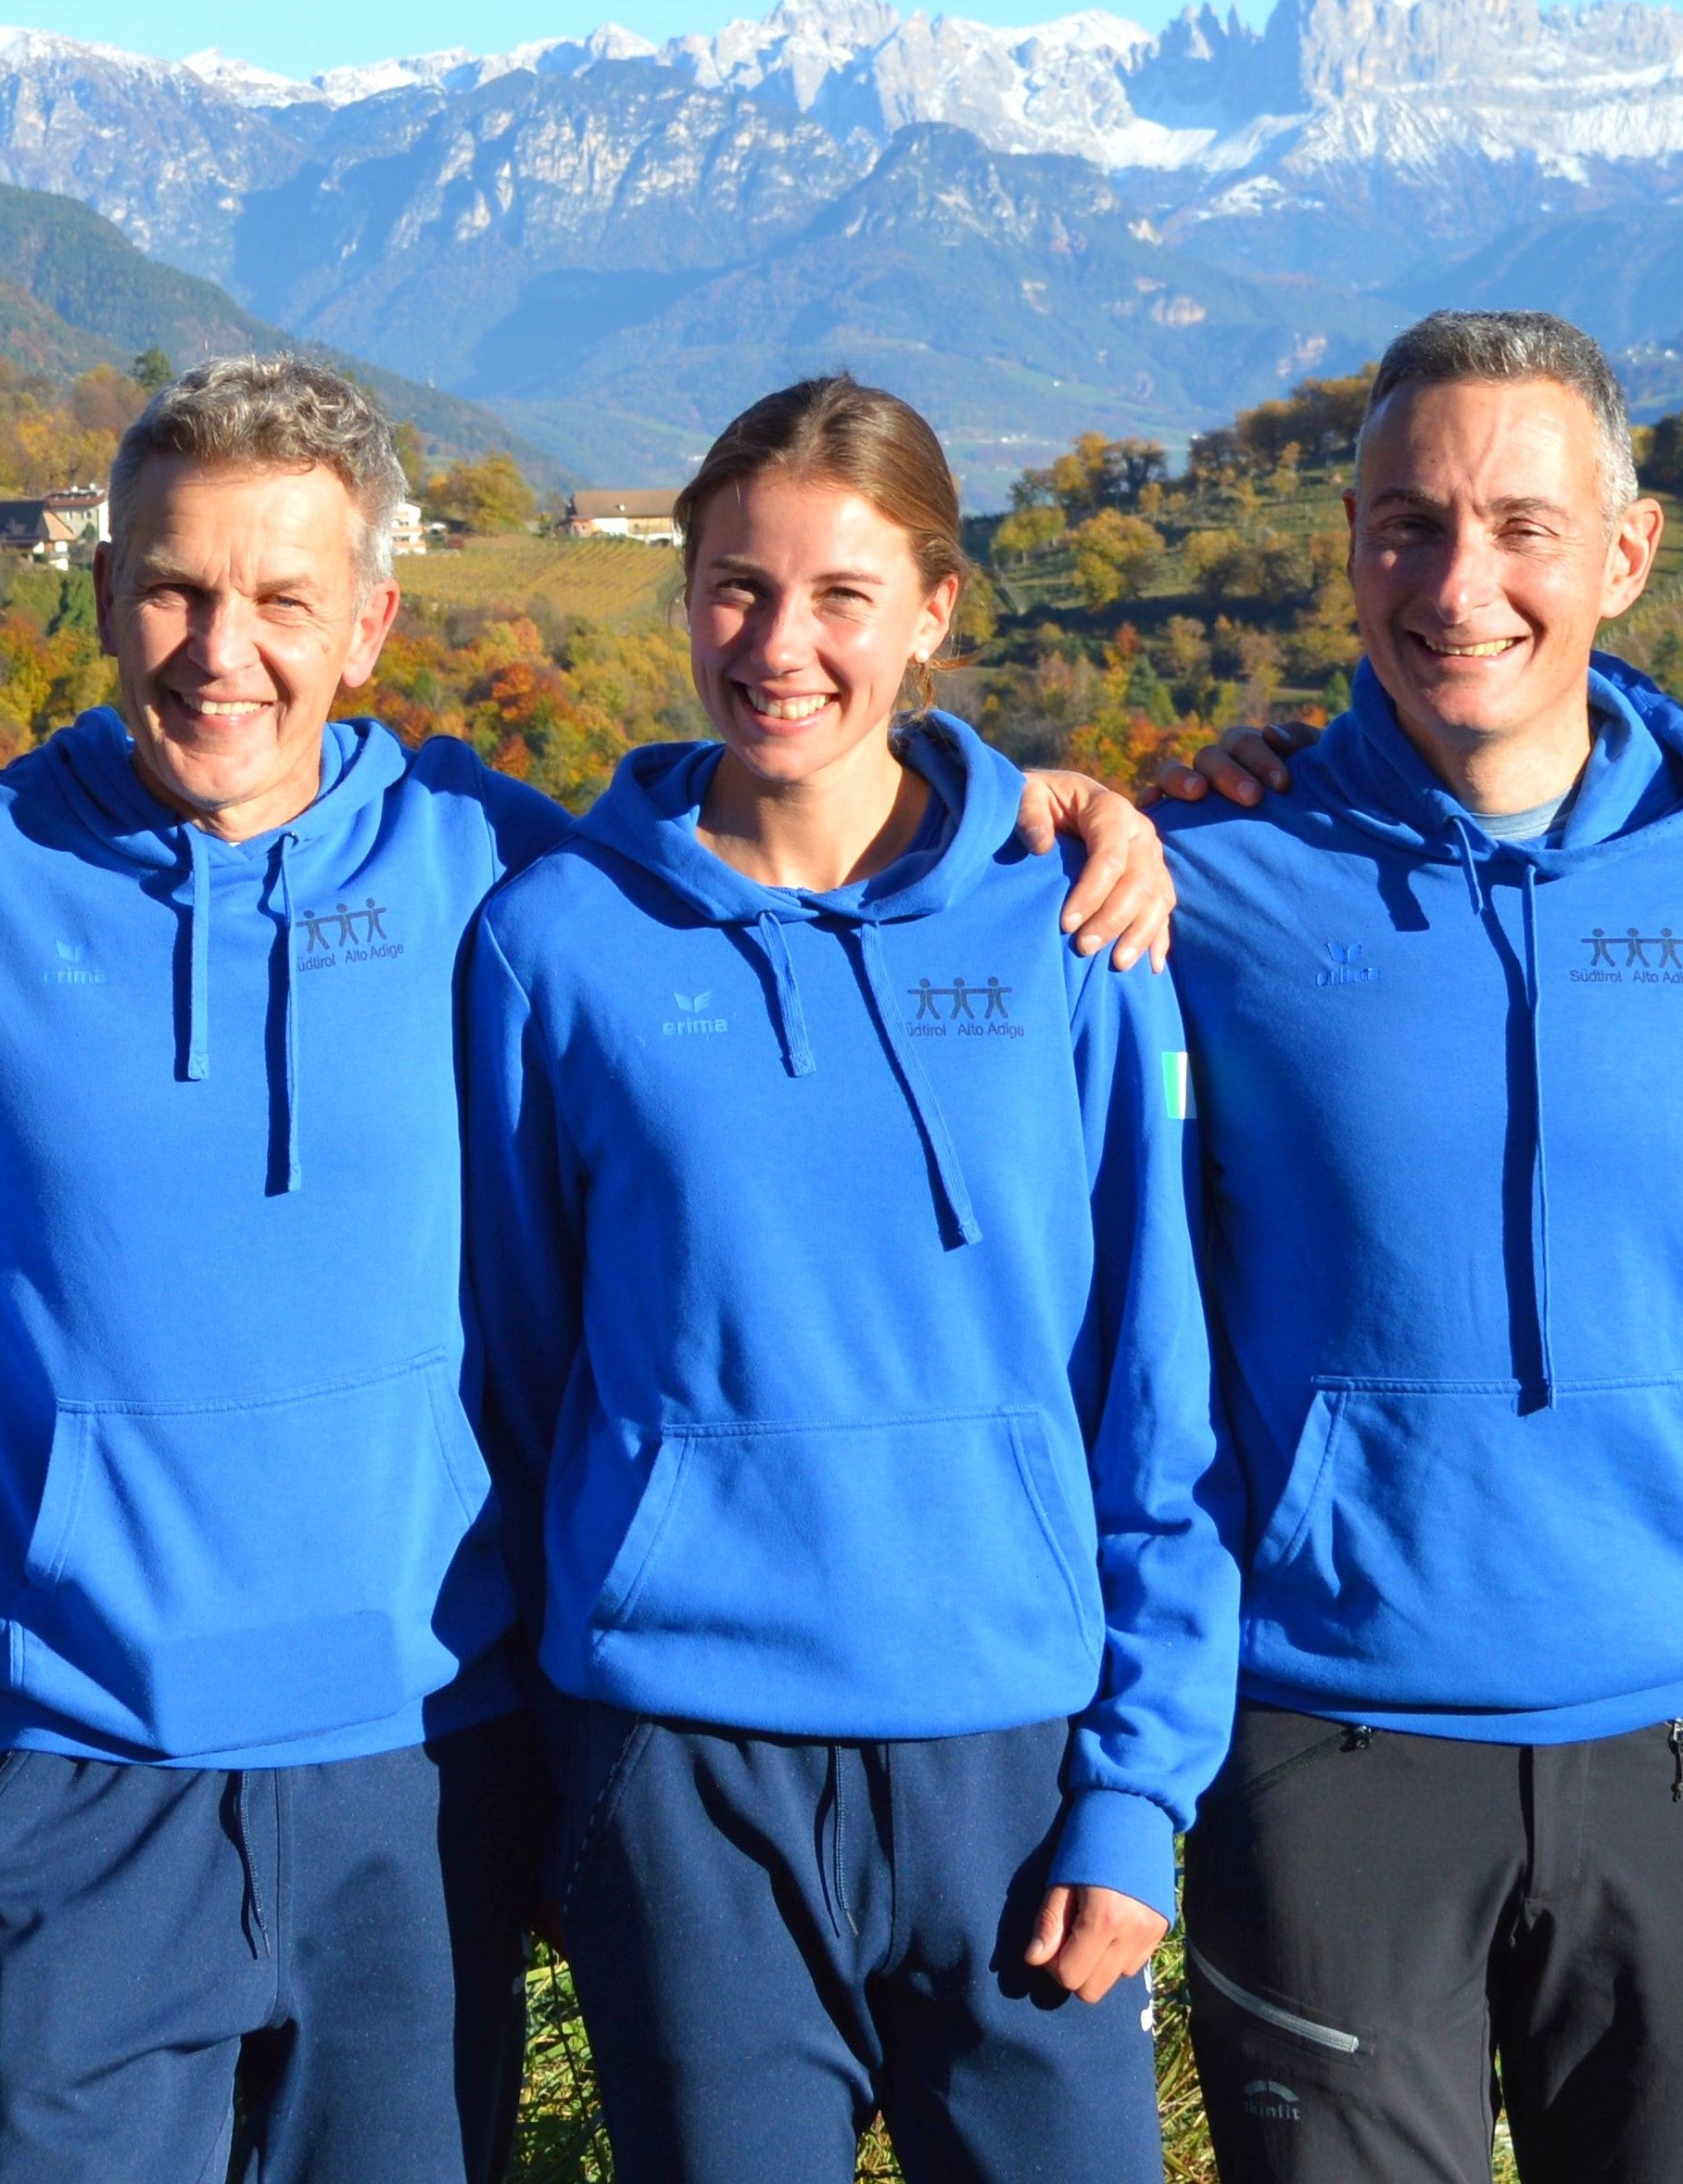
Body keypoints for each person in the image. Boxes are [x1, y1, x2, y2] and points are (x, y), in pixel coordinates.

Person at [0, 360, 1182, 2183]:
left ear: (373, 626)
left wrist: (1019, 805)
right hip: (77, 1770)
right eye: (172, 588)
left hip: (420, 1762)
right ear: (101, 596)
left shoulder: (496, 867)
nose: (218, 649)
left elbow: (780, 851)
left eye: (281, 601)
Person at [462, 375, 1233, 2184]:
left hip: (1019, 1767)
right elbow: (520, 1375)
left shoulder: (1071, 928)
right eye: (737, 586)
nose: (780, 642)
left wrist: (1138, 1789)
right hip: (688, 1772)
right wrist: (587, 1773)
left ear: (937, 611)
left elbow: (1155, 1390)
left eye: (841, 595)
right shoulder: (555, 944)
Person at [1147, 311, 1683, 2182]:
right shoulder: (1202, 878)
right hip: (1326, 1736)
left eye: (1524, 524)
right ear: (1352, 547)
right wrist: (1034, 790)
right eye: (1407, 523)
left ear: (1624, 553)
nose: (1461, 582)